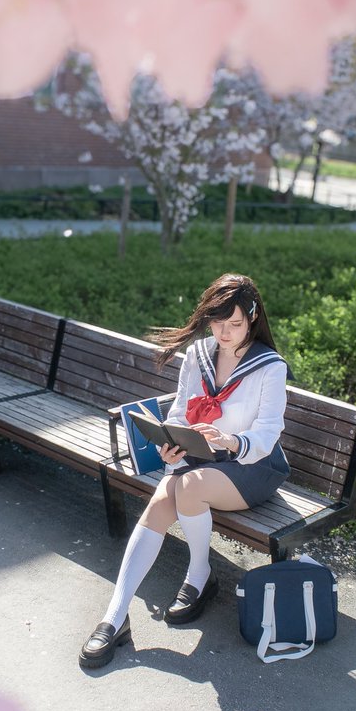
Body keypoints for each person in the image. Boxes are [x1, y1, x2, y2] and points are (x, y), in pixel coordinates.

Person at [79, 273, 291, 670]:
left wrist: (229, 440)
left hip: (252, 464)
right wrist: (170, 443)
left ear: (253, 318)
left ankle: (199, 574)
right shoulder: (198, 355)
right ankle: (115, 616)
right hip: (200, 458)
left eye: (235, 324)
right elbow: (179, 411)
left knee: (188, 486)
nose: (224, 333)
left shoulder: (269, 366)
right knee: (160, 503)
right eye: (217, 322)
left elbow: (267, 434)